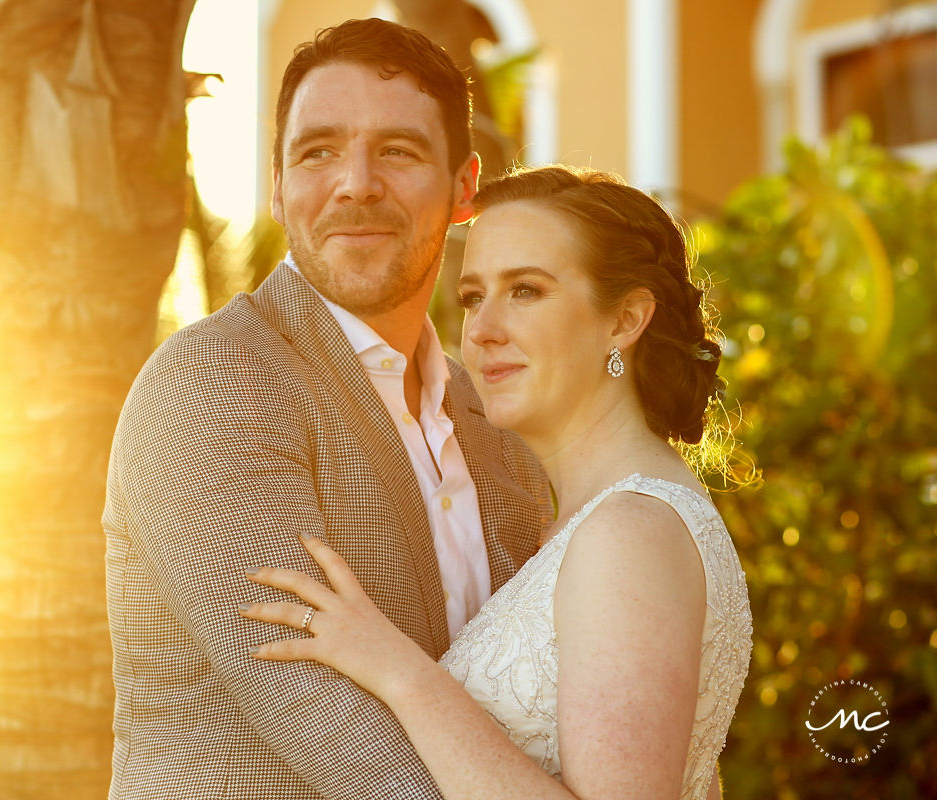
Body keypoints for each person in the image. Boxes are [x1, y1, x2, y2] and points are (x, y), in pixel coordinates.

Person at [102, 18, 551, 800]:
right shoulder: (213, 383)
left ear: (464, 188)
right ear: (277, 185)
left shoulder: (500, 425)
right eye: (318, 152)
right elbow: (333, 728)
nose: (356, 184)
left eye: (399, 151)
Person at [242, 165, 754, 800]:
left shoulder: (630, 533)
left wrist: (400, 671)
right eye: (473, 296)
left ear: (624, 320)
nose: (481, 330)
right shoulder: (595, 521)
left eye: (527, 290)